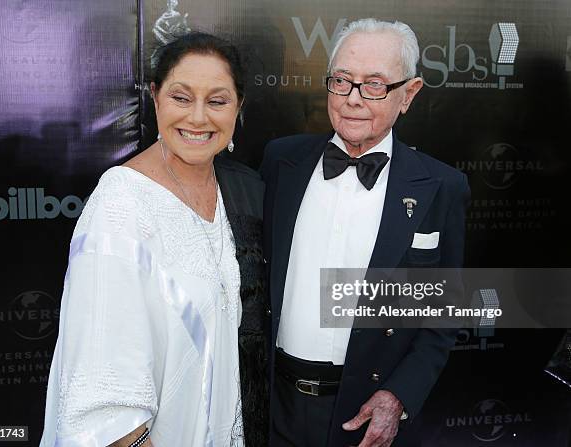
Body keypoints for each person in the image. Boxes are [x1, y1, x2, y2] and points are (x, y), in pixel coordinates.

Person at [40, 32, 268, 447]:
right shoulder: (120, 202)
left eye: (217, 101)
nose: (198, 118)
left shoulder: (236, 191)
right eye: (181, 97)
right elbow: (102, 394)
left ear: (238, 108)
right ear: (155, 96)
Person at [260, 18, 470, 447]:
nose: (353, 100)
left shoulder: (441, 188)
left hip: (364, 414)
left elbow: (442, 314)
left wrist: (398, 395)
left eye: (375, 85)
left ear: (408, 95)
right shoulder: (281, 162)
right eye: (342, 81)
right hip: (270, 403)